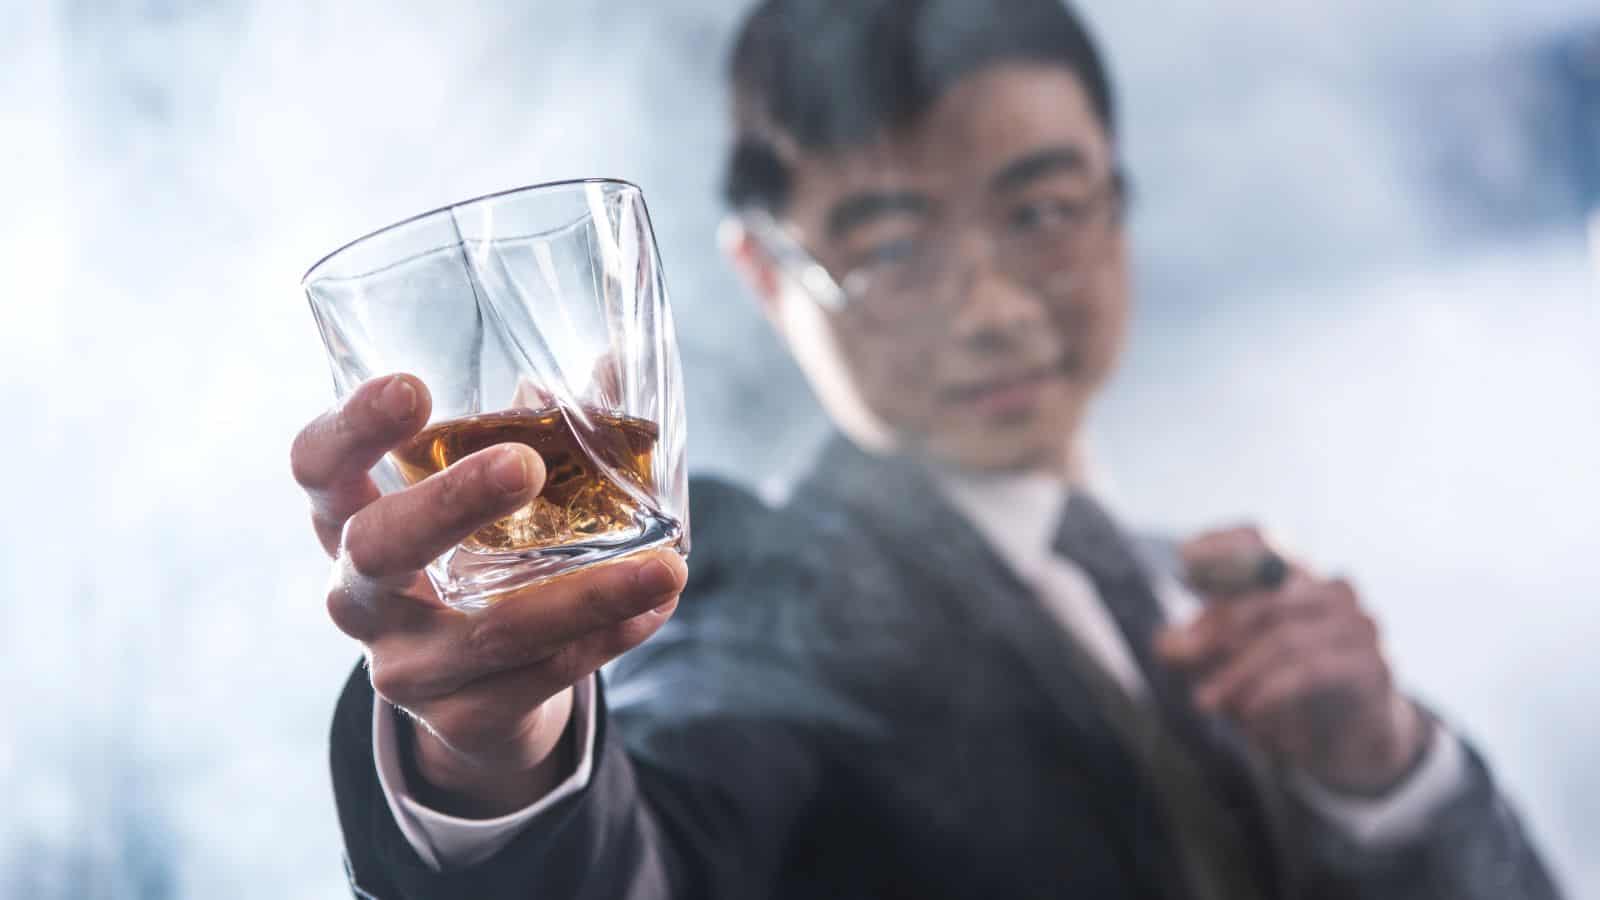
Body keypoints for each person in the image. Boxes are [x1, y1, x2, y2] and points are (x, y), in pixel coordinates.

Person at [292, 1, 1562, 897]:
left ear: (1118, 206)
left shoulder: (1204, 599)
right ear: (767, 277)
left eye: (1043, 210)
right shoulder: (763, 603)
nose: (992, 308)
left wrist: (1390, 780)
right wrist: (496, 756)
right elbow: (653, 849)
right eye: (892, 245)